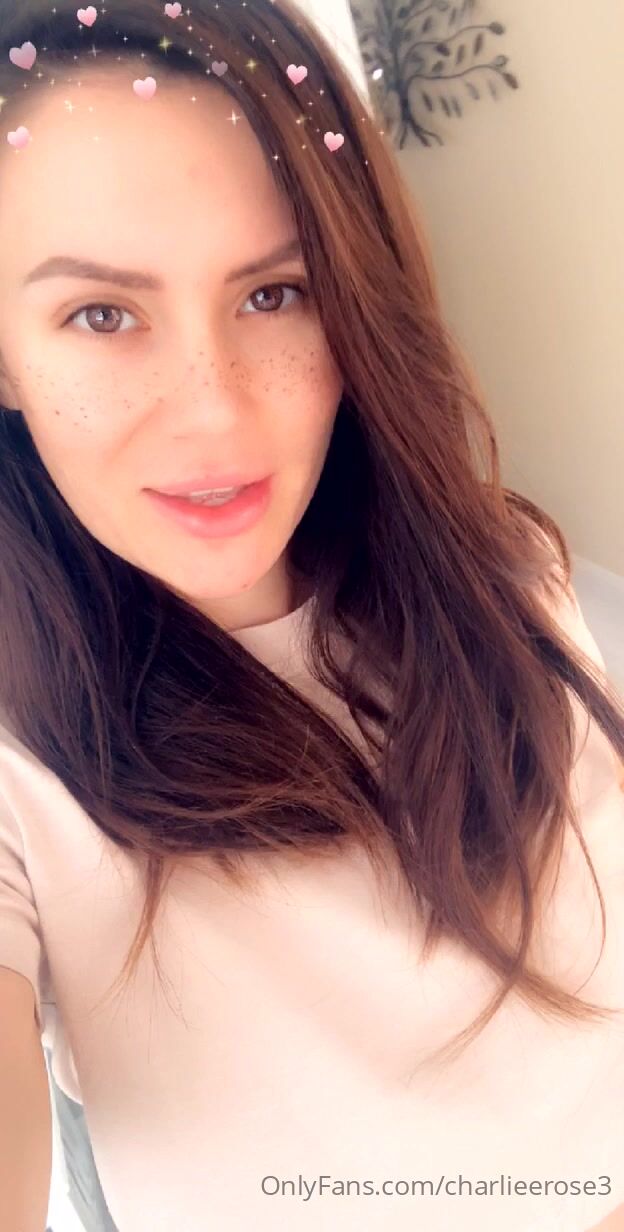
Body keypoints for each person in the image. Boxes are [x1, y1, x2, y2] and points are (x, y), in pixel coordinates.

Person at [0, 1, 623, 1229]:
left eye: (275, 293)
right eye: (102, 315)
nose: (215, 412)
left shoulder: (509, 575)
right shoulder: (23, 758)